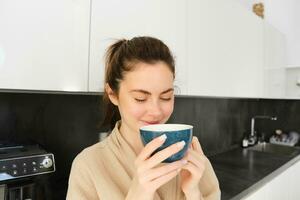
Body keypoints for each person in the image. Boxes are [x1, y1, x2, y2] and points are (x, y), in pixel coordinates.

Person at [66, 36, 220, 200]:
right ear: (113, 94)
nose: (155, 111)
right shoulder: (88, 165)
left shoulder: (194, 159)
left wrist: (193, 193)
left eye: (166, 97)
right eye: (140, 98)